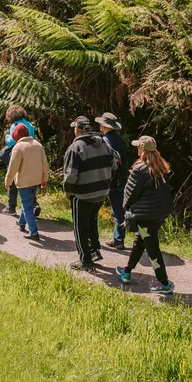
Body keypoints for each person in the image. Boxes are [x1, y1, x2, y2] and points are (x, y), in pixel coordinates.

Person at [116, 137, 174, 295]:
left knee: (152, 248)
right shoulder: (161, 166)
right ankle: (127, 271)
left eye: (138, 147)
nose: (136, 149)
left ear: (142, 149)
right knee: (139, 242)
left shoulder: (139, 169)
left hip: (144, 215)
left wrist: (125, 209)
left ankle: (164, 283)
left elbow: (130, 193)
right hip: (158, 214)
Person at [63, 115, 117, 272]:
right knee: (92, 222)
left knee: (80, 227)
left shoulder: (76, 148)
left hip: (83, 194)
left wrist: (68, 192)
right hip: (101, 192)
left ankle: (85, 261)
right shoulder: (104, 144)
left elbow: (71, 175)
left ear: (77, 130)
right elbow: (114, 167)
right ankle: (94, 251)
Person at [4, 122, 49, 243]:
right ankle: (21, 223)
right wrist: (44, 179)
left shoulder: (18, 148)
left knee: (27, 206)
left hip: (24, 182)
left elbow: (12, 168)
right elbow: (45, 164)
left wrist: (7, 182)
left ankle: (34, 232)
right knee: (27, 202)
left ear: (16, 136)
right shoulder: (38, 145)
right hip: (36, 181)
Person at [96, 112, 129, 250]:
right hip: (121, 180)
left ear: (104, 126)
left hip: (106, 180)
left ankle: (92, 239)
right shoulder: (121, 141)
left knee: (93, 208)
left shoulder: (104, 141)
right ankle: (119, 239)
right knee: (118, 211)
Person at [0, 106, 36, 215]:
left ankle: (11, 207)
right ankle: (34, 205)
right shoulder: (30, 125)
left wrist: (6, 136)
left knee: (13, 179)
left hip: (17, 152)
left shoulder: (15, 126)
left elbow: (11, 141)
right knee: (30, 182)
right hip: (29, 152)